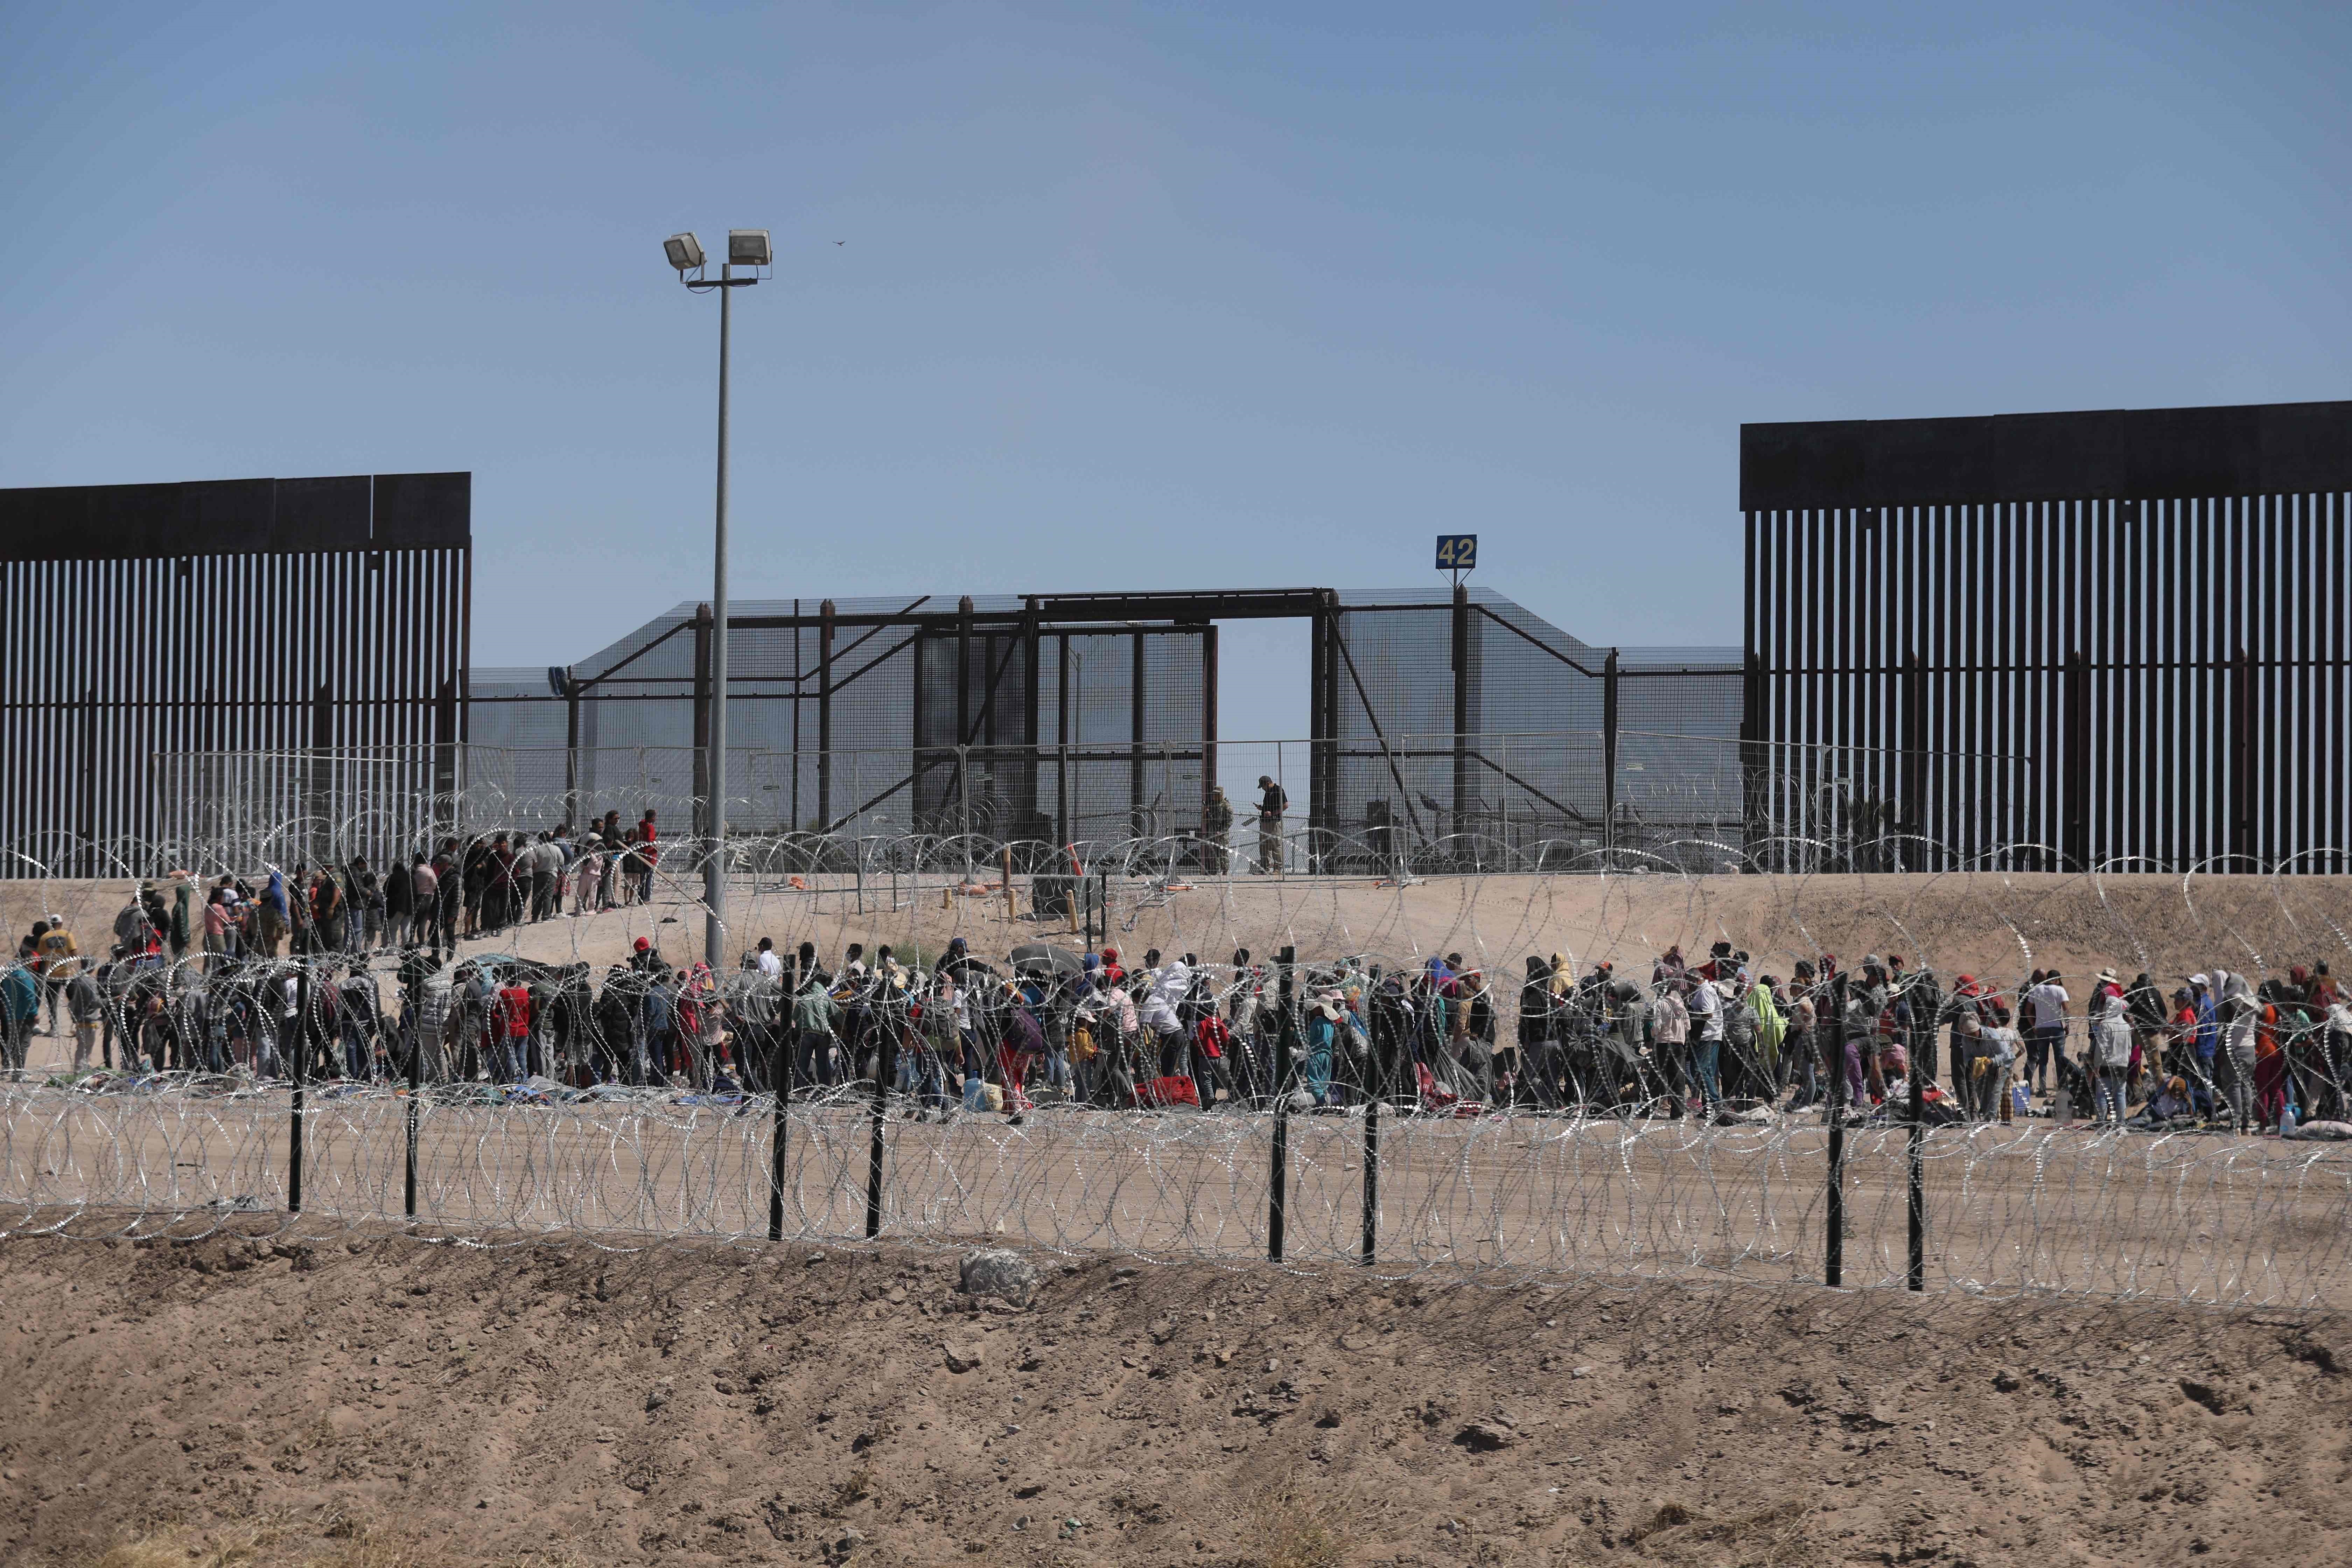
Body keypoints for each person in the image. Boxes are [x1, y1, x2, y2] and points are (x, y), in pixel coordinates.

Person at [1251, 776, 1287, 874]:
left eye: (1263, 786)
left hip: (1274, 822)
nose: (1263, 789)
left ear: (1267, 783)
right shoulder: (1267, 793)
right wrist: (1262, 808)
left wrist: (1273, 813)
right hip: (1265, 823)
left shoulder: (1278, 790)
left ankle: (1278, 869)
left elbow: (1285, 806)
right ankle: (1265, 869)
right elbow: (1269, 808)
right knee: (1264, 846)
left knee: (1276, 845)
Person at [1202, 785, 1236, 874]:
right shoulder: (1211, 805)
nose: (1215, 796)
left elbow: (1230, 821)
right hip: (1212, 834)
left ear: (1221, 794)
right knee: (1213, 854)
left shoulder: (1226, 806)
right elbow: (1205, 821)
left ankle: (1225, 872)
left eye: (1217, 794)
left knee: (1223, 854)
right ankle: (1215, 872)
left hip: (1222, 836)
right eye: (1214, 794)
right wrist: (1206, 813)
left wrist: (1222, 831)